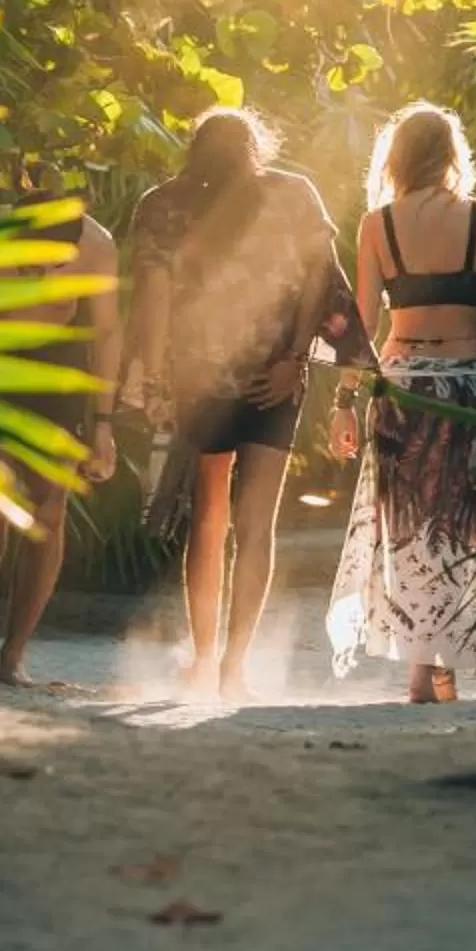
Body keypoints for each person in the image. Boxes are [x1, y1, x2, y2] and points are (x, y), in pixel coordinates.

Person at [123, 107, 360, 702]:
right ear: (257, 146)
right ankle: (233, 669)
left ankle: (204, 661)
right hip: (273, 378)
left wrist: (152, 376)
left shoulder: (163, 204)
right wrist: (296, 359)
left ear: (194, 148)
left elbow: (151, 299)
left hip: (200, 379)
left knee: (208, 518)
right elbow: (319, 280)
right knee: (257, 525)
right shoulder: (293, 194)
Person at [326, 101, 476, 703]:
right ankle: (445, 669)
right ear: (451, 155)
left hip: (403, 384)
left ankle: (419, 670)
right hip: (471, 383)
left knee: (408, 530)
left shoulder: (376, 224)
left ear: (397, 158)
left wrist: (343, 401)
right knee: (463, 525)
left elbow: (360, 324)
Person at [0, 172, 120, 689]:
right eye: (32, 263)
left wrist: (104, 424)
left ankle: (14, 655)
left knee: (50, 508)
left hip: (58, 363)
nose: (45, 274)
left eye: (56, 265)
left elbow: (108, 333)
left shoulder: (97, 246)